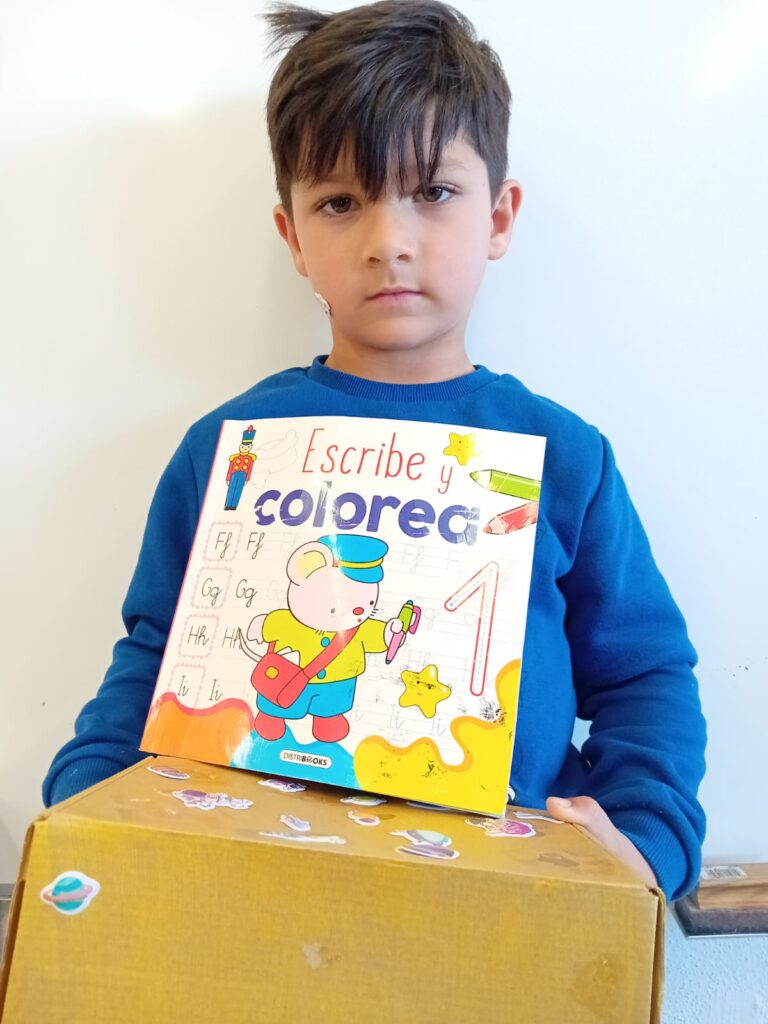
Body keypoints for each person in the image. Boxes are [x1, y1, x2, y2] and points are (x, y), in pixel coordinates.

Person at [42, 0, 706, 901]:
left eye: (432, 193)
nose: (388, 242)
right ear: (293, 237)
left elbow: (645, 674)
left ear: (499, 217)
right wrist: (87, 798)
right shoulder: (230, 451)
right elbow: (158, 655)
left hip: (501, 903)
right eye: (340, 203)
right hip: (250, 893)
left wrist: (645, 839)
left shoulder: (562, 455)